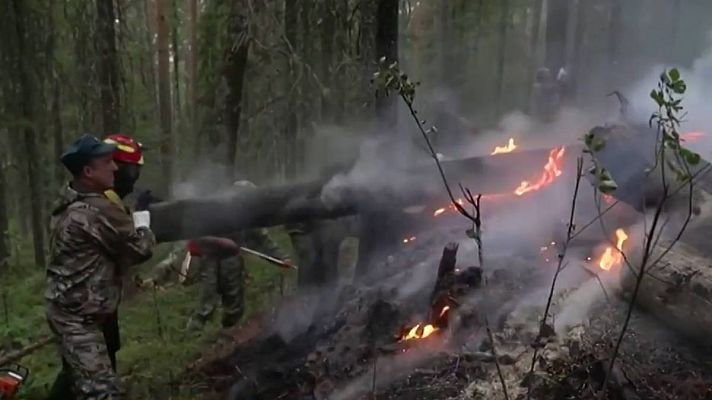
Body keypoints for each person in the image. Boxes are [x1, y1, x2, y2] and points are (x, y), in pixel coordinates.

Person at [45, 134, 155, 399]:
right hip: (78, 318)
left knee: (76, 378)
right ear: (88, 171)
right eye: (108, 162)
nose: (115, 168)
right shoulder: (97, 211)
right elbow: (141, 249)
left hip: (73, 310)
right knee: (102, 392)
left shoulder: (70, 198)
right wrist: (143, 222)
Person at [184, 180, 292, 331]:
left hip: (231, 257)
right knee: (208, 294)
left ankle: (229, 328)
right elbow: (196, 232)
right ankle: (195, 329)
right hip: (209, 256)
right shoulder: (214, 207)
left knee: (233, 296)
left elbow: (261, 239)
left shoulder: (248, 215)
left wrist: (281, 258)